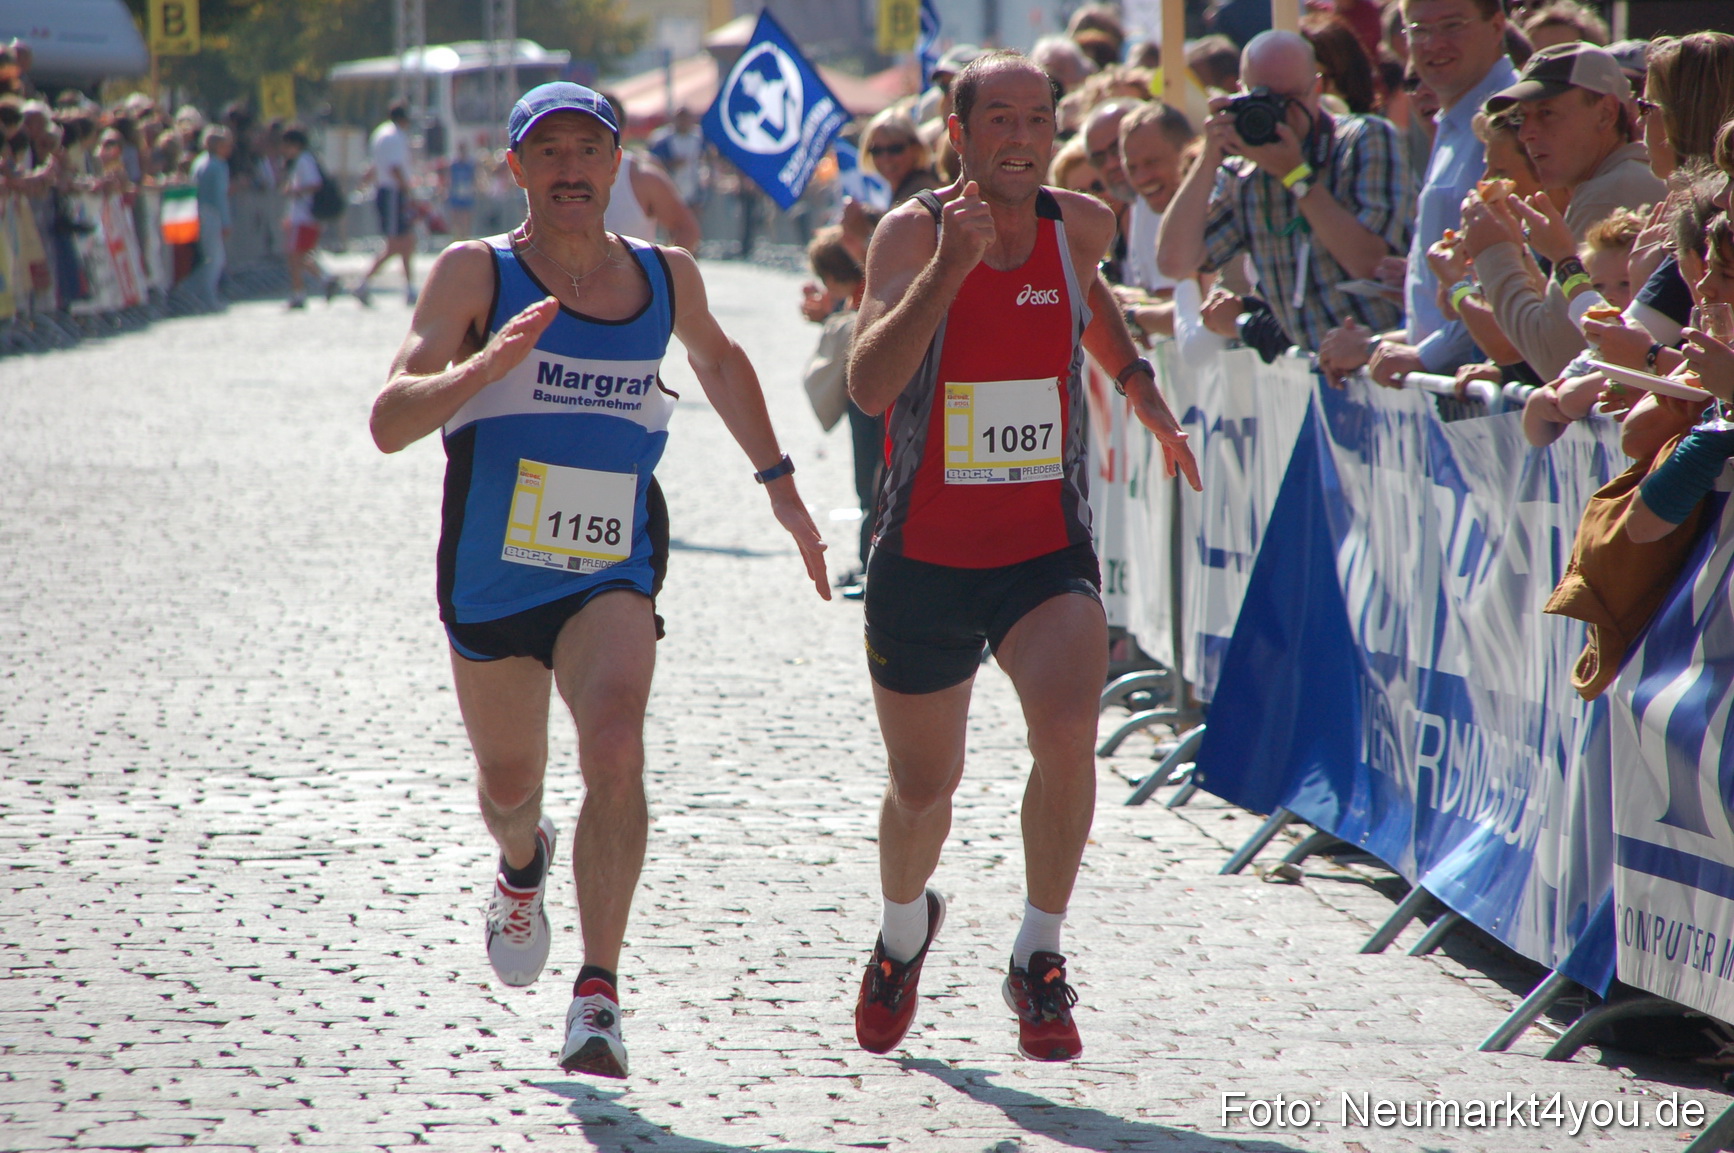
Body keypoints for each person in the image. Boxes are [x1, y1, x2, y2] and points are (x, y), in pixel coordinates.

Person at [367, 82, 828, 1080]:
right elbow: (391, 418)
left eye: (590, 149)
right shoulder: (473, 272)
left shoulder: (665, 277)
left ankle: (599, 994)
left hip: (608, 566)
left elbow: (722, 359)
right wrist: (479, 369)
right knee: (509, 785)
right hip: (491, 575)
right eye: (551, 151)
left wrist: (782, 488)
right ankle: (521, 863)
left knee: (615, 742)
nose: (572, 168)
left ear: (619, 166)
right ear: (517, 168)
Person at [845, 51, 1200, 1064]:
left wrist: (1137, 385)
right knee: (925, 787)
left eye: (1037, 119)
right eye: (997, 119)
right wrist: (947, 273)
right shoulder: (911, 235)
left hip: (1042, 546)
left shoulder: (1080, 224)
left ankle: (1039, 952)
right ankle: (903, 930)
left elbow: (1086, 296)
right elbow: (870, 386)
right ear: (959, 134)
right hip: (923, 551)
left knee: (1067, 729)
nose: (1020, 137)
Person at [1156, 30, 1413, 355]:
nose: (1279, 113)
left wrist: (1296, 177)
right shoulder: (1242, 174)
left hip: (1387, 370)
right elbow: (1174, 263)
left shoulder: (1365, 140)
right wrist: (1208, 158)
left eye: (1290, 99)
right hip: (1316, 380)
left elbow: (1370, 264)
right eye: (1264, 99)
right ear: (1241, 93)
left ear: (1317, 88)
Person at [1315, 0, 1515, 387]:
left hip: (1482, 392)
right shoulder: (1453, 118)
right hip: (1452, 389)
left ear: (1496, 26)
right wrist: (1386, 345)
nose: (1433, 43)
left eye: (1452, 25)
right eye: (1419, 30)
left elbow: (1509, 280)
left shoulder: (1511, 116)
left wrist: (1422, 355)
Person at [1460, 42, 1666, 380]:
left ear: (1605, 112)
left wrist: (1493, 251)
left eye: (1546, 113)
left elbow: (1555, 358)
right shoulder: (1610, 180)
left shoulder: (1612, 188)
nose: (1526, 133)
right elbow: (1564, 327)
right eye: (1521, 117)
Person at [798, 228, 876, 594]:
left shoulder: (868, 296)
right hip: (874, 402)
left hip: (870, 405)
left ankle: (871, 567)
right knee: (873, 487)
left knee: (871, 486)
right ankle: (868, 563)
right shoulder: (869, 288)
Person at [599, 95, 701, 252]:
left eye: (611, 126)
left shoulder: (641, 177)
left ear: (624, 131)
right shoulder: (561, 178)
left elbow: (687, 230)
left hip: (689, 192)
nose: (600, 134)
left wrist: (661, 272)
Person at [355, 102, 416, 305]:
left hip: (388, 191)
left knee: (407, 241)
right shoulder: (394, 136)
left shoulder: (381, 133)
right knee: (395, 244)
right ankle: (363, 283)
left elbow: (375, 165)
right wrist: (409, 192)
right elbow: (394, 167)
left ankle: (409, 287)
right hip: (392, 192)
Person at [280, 126, 334, 309]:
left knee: (295, 257)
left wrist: (294, 190)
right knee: (300, 257)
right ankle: (326, 279)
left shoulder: (304, 160)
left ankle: (299, 293)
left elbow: (314, 184)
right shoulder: (302, 160)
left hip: (304, 217)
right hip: (302, 218)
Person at [189, 125, 232, 313]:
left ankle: (200, 295)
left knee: (208, 256)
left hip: (197, 211)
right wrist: (226, 221)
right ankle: (204, 295)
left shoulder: (198, 162)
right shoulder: (218, 166)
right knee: (215, 258)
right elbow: (219, 196)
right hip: (212, 213)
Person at [861, 109, 941, 207]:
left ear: (915, 148)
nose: (885, 158)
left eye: (895, 149)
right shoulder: (902, 188)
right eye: (876, 150)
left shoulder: (920, 193)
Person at [647, 107, 706, 205]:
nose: (683, 122)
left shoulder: (699, 138)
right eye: (681, 119)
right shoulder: (663, 140)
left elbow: (708, 158)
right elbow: (652, 161)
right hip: (671, 189)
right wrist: (670, 164)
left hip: (694, 190)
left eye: (686, 119)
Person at [443, 141, 477, 239]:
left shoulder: (470, 165)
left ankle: (466, 238)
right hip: (456, 194)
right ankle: (457, 238)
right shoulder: (453, 165)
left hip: (466, 194)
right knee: (456, 218)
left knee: (466, 218)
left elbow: (474, 178)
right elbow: (449, 179)